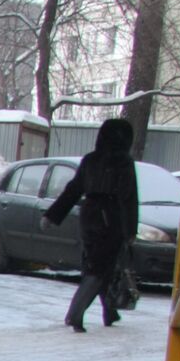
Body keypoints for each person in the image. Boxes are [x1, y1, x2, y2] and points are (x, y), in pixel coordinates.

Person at [43, 118, 139, 332]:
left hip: (88, 216)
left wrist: (52, 216)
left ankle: (110, 312)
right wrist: (130, 230)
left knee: (98, 263)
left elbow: (73, 189)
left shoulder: (90, 160)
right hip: (111, 218)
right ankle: (75, 314)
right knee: (100, 268)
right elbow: (128, 197)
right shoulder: (124, 163)